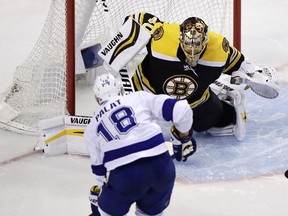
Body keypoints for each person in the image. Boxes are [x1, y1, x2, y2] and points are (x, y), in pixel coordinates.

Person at [98, 13, 279, 141]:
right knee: (127, 126)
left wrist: (255, 72)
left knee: (220, 122)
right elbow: (137, 19)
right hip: (147, 92)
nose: (192, 52)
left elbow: (239, 62)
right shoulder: (162, 36)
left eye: (197, 47)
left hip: (193, 100)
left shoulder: (218, 48)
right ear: (180, 37)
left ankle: (221, 97)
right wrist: (120, 45)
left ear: (206, 41)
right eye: (188, 46)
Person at [84, 72, 196, 216]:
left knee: (104, 211)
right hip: (161, 167)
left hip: (125, 176)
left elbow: (99, 171)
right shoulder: (139, 97)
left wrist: (102, 201)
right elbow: (183, 109)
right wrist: (183, 138)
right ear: (121, 89)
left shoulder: (91, 128)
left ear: (97, 99)